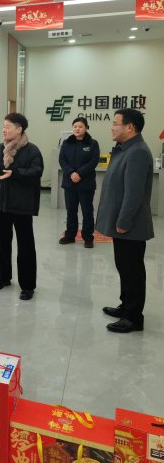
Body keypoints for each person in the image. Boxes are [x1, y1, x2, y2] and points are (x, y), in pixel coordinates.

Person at [96, 108, 154, 333]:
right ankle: (126, 305)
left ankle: (133, 317)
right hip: (123, 223)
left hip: (130, 225)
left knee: (133, 271)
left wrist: (124, 221)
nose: (111, 127)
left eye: (115, 123)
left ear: (130, 127)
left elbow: (134, 194)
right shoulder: (126, 149)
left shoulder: (138, 152)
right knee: (124, 267)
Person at [0, 113, 43, 300]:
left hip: (22, 205)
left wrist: (14, 174)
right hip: (2, 204)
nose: (4, 130)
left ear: (19, 129)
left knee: (25, 246)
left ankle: (28, 285)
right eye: (3, 126)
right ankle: (4, 278)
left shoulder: (31, 150)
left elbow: (36, 172)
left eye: (8, 126)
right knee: (4, 243)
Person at [58, 117, 100, 248]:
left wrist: (79, 173)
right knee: (71, 210)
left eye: (80, 126)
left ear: (86, 128)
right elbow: (62, 160)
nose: (77, 129)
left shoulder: (93, 143)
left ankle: (88, 237)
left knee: (87, 211)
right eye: (75, 126)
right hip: (70, 183)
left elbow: (94, 161)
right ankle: (70, 235)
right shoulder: (66, 143)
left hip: (86, 183)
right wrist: (71, 173)